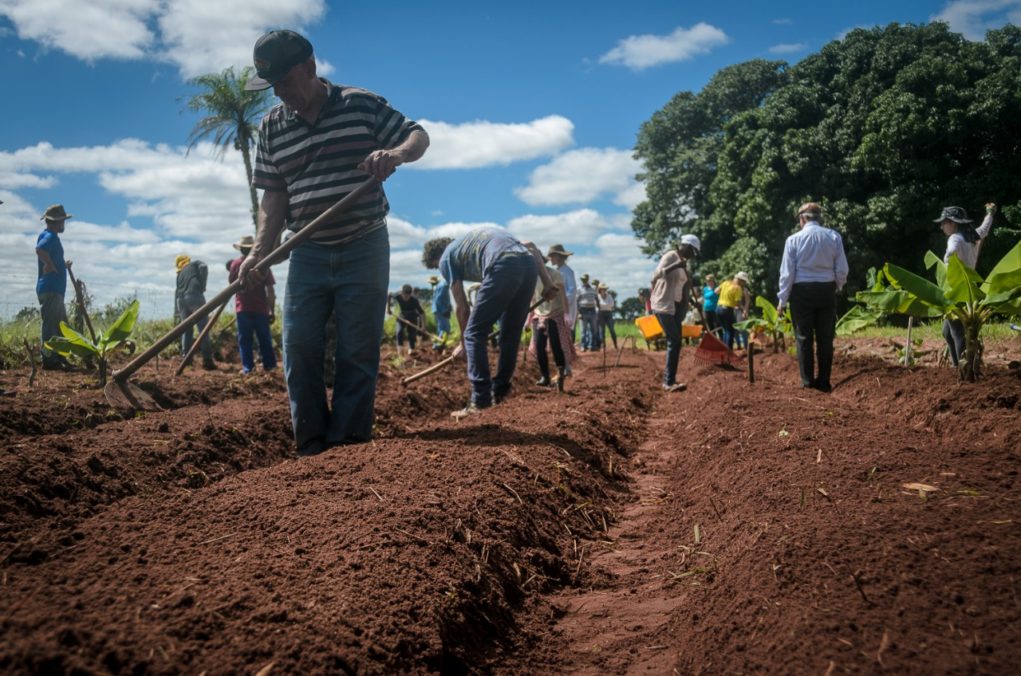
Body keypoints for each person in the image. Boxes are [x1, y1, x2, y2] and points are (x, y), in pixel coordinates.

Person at [238, 29, 429, 455]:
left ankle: (348, 445)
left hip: (364, 243)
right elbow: (274, 194)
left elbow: (417, 135)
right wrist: (259, 252)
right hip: (307, 250)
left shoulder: (359, 103)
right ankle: (310, 445)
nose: (281, 94)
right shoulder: (271, 128)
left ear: (310, 67)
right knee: (299, 345)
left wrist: (394, 154)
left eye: (286, 82)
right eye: (273, 88)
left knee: (357, 349)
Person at [423, 227, 557, 418]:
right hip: (527, 265)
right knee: (510, 335)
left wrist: (463, 343)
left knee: (473, 334)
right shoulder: (469, 242)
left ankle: (481, 399)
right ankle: (500, 391)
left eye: (436, 267)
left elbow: (462, 308)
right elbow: (529, 246)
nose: (440, 270)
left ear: (435, 258)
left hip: (502, 263)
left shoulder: (446, 258)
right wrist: (547, 283)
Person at [777, 202, 849, 393]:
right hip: (826, 289)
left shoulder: (793, 240)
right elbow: (842, 269)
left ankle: (807, 382)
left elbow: (787, 274)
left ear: (802, 219)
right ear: (819, 218)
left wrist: (782, 300)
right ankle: (824, 382)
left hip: (802, 292)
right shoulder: (833, 236)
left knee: (803, 337)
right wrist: (837, 286)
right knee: (826, 338)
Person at [936, 203, 995, 367]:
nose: (941, 226)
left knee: (957, 332)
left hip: (957, 289)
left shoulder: (954, 238)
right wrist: (990, 213)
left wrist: (947, 260)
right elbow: (984, 229)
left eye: (944, 222)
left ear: (953, 223)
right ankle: (958, 366)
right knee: (947, 332)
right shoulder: (971, 236)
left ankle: (962, 368)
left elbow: (951, 251)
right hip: (967, 289)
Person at [651, 234, 700, 392]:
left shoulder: (686, 264)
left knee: (677, 342)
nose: (694, 256)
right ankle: (668, 382)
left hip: (676, 307)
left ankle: (670, 380)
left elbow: (683, 285)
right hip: (663, 304)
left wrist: (692, 301)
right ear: (686, 247)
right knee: (675, 340)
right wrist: (676, 265)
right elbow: (656, 275)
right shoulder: (671, 256)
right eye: (693, 252)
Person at [227, 235, 277, 375]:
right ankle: (270, 367)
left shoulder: (236, 264)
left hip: (243, 308)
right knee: (264, 339)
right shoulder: (263, 263)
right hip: (260, 309)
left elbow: (231, 285)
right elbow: (270, 291)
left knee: (245, 340)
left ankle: (248, 369)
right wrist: (271, 310)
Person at [35, 204, 74, 370]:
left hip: (54, 289)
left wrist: (61, 264)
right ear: (56, 222)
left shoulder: (48, 235)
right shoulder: (50, 236)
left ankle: (58, 358)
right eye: (62, 221)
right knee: (52, 326)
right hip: (50, 289)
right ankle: (50, 360)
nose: (63, 224)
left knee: (60, 325)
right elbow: (40, 250)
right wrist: (50, 264)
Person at [530, 261, 573, 391]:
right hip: (539, 314)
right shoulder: (532, 276)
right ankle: (545, 376)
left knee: (556, 345)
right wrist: (529, 316)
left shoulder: (555, 274)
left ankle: (561, 374)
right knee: (539, 346)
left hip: (555, 313)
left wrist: (566, 313)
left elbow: (563, 295)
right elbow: (533, 298)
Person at [175, 254, 216, 370]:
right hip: (194, 296)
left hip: (181, 301)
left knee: (187, 330)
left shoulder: (179, 275)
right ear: (188, 261)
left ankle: (186, 359)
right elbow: (203, 267)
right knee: (203, 328)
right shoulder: (194, 264)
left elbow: (177, 292)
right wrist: (203, 285)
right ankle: (207, 360)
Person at [547, 244, 577, 367]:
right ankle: (563, 366)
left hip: (565, 309)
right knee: (558, 339)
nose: (551, 259)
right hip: (557, 308)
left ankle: (566, 366)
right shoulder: (558, 271)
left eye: (552, 256)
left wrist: (560, 301)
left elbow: (572, 290)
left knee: (563, 339)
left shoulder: (567, 271)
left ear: (558, 257)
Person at [388, 284, 425, 355]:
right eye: (404, 296)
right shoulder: (397, 295)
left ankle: (411, 350)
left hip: (412, 317)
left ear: (410, 294)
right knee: (399, 331)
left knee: (411, 334)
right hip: (402, 316)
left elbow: (422, 313)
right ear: (402, 293)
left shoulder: (414, 300)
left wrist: (423, 326)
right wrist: (388, 308)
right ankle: (400, 350)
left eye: (407, 296)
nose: (405, 298)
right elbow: (389, 295)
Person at [716, 272, 750, 350]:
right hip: (727, 310)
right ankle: (729, 352)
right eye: (744, 282)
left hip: (718, 309)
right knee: (730, 332)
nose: (744, 284)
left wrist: (725, 295)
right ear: (740, 280)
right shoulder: (738, 288)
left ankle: (724, 351)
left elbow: (716, 291)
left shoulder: (725, 283)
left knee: (725, 330)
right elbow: (738, 303)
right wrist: (744, 311)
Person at [577, 274, 598, 351]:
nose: (584, 281)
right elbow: (577, 301)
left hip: (592, 309)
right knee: (583, 330)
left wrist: (598, 308)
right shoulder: (579, 289)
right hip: (583, 310)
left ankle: (592, 346)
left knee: (593, 330)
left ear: (587, 279)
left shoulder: (593, 289)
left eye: (585, 279)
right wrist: (579, 313)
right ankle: (583, 346)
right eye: (583, 280)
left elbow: (596, 299)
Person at [429, 275, 450, 349]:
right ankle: (439, 345)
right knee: (445, 328)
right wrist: (444, 310)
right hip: (441, 310)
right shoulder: (442, 287)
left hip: (437, 310)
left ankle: (440, 344)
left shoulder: (438, 287)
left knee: (441, 327)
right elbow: (439, 300)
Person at [596, 284, 618, 350]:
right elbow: (598, 306)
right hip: (601, 314)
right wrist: (606, 305)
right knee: (601, 331)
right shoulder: (598, 297)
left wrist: (602, 305)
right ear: (600, 290)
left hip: (608, 313)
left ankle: (615, 345)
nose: (604, 290)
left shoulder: (609, 296)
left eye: (605, 289)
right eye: (602, 289)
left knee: (612, 329)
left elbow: (611, 305)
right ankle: (603, 346)